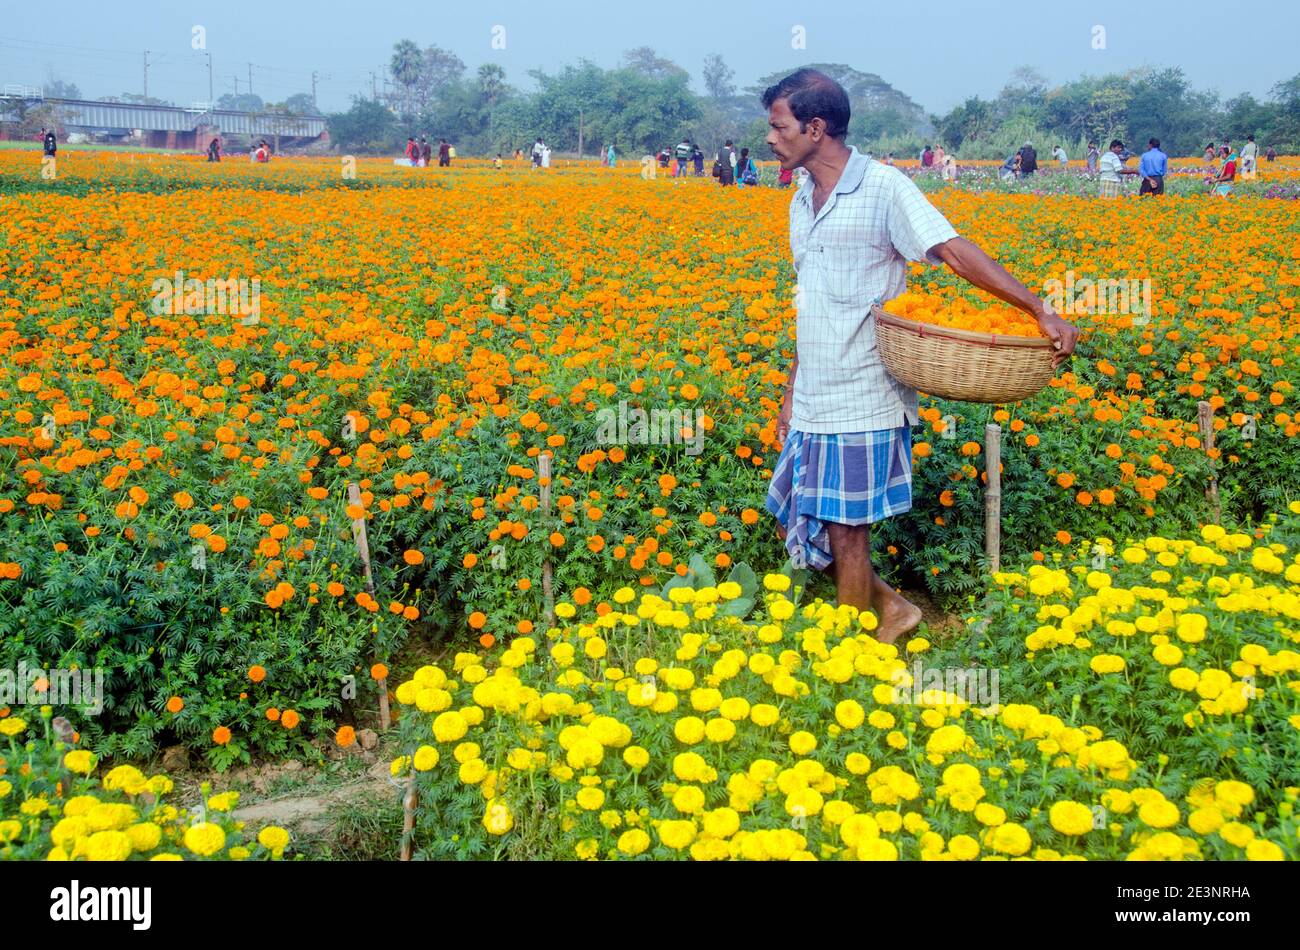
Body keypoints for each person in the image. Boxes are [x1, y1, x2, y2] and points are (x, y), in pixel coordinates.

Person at [760, 68, 1078, 642]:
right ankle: (895, 610)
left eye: (779, 126)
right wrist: (789, 392)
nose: (770, 138)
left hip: (863, 391)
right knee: (802, 517)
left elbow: (952, 251)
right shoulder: (801, 199)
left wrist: (1040, 309)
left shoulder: (883, 187)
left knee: (847, 530)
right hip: (814, 393)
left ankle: (854, 653)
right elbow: (812, 304)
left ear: (815, 126)